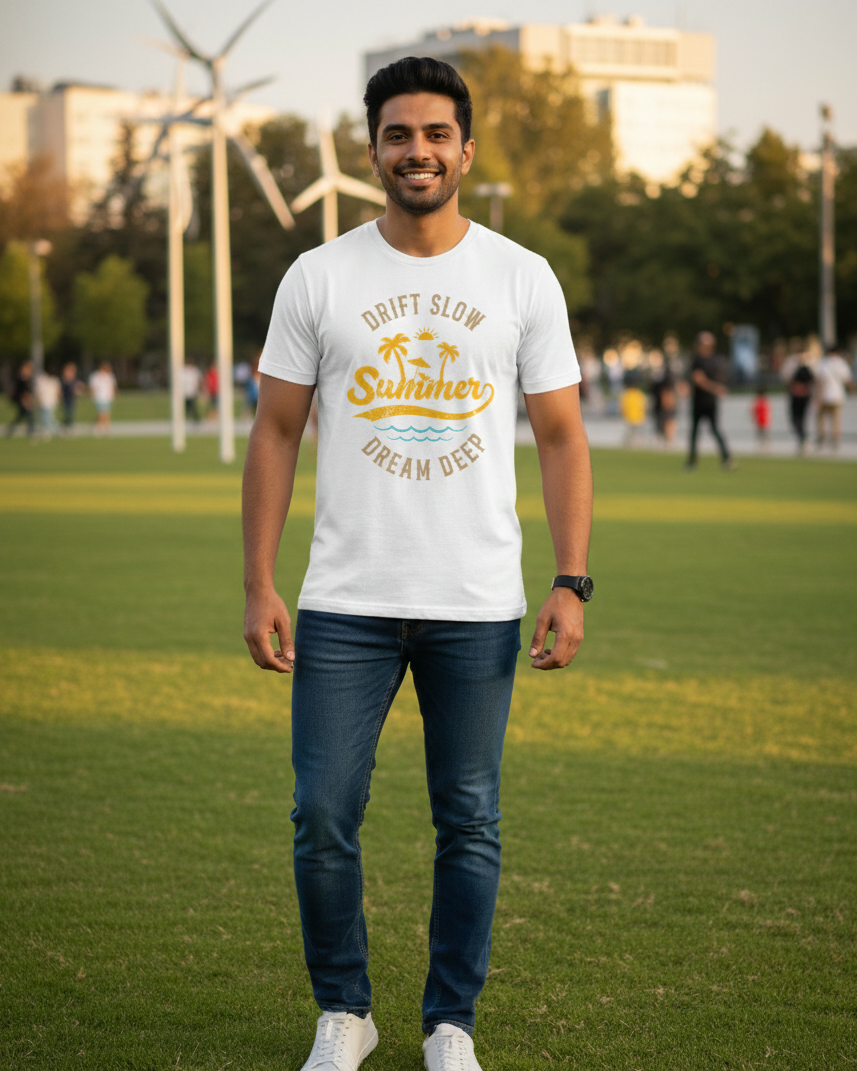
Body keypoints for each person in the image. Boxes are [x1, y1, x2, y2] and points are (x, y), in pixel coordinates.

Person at [242, 57, 593, 1071]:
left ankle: (450, 1025)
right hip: (344, 601)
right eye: (398, 135)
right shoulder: (319, 276)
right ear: (372, 152)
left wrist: (570, 581)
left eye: (435, 134)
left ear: (465, 149)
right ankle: (345, 1012)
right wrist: (259, 580)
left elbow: (562, 438)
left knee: (470, 821)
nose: (417, 151)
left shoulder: (520, 277)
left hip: (475, 601)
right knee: (321, 815)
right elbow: (273, 433)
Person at [686, 331, 733, 469]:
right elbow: (698, 379)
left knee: (713, 430)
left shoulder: (715, 360)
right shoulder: (698, 359)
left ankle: (726, 458)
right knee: (696, 431)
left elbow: (706, 379)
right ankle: (692, 461)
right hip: (700, 400)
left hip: (709, 401)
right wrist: (716, 389)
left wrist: (717, 388)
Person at [814, 345, 854, 450]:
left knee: (821, 418)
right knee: (836, 420)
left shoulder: (823, 363)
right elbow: (847, 380)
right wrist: (853, 391)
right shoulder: (841, 363)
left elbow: (819, 381)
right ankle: (835, 440)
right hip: (837, 396)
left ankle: (822, 438)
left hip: (825, 396)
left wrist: (817, 396)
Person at [787, 356, 815, 453]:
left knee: (797, 418)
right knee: (800, 419)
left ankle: (802, 437)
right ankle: (802, 436)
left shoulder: (798, 371)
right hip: (803, 397)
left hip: (798, 397)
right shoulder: (807, 371)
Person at [5, 360, 35, 437]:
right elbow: (21, 392)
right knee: (28, 416)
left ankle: (10, 431)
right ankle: (30, 432)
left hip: (24, 400)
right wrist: (25, 402)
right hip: (21, 400)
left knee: (21, 416)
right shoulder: (20, 379)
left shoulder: (26, 379)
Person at [88, 361, 117, 433]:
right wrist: (92, 394)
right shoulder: (96, 376)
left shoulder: (110, 376)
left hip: (107, 397)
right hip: (99, 397)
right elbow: (92, 386)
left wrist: (113, 394)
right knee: (101, 413)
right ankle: (99, 427)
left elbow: (112, 386)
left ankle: (106, 427)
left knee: (106, 413)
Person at [34, 370, 61, 438]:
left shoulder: (53, 380)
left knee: (48, 417)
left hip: (51, 402)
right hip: (44, 402)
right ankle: (50, 430)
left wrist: (57, 400)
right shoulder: (42, 380)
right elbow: (39, 392)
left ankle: (55, 430)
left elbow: (57, 391)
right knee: (46, 417)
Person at [60, 362, 82, 429]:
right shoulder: (65, 380)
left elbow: (77, 388)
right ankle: (65, 425)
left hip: (71, 398)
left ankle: (68, 425)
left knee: (70, 412)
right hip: (65, 398)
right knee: (66, 412)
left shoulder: (74, 380)